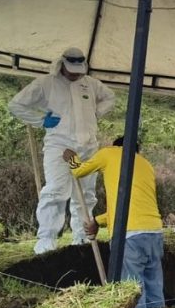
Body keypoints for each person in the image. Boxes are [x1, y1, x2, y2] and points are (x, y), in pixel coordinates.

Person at [9, 47, 115, 254]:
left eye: (79, 69)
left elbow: (110, 98)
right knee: (56, 190)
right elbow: (16, 105)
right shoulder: (46, 83)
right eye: (71, 69)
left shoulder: (91, 84)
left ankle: (82, 239)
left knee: (85, 194)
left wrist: (95, 112)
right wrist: (41, 120)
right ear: (62, 65)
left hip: (88, 146)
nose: (75, 73)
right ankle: (46, 241)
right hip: (59, 145)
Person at [65, 137, 165, 308]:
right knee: (154, 283)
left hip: (129, 234)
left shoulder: (109, 153)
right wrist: (97, 221)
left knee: (133, 287)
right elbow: (128, 206)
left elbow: (78, 172)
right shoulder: (146, 164)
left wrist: (72, 159)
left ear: (116, 147)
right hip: (154, 231)